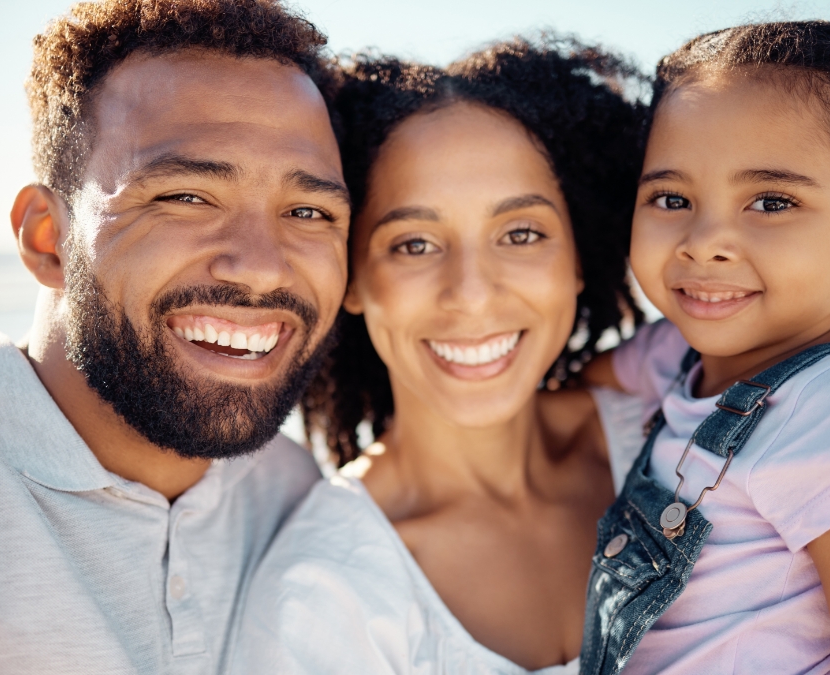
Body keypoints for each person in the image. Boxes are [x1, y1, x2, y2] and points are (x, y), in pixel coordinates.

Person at [233, 39, 657, 673]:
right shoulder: (323, 596)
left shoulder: (679, 445)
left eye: (521, 234)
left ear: (579, 256)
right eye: (415, 244)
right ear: (351, 277)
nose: (472, 294)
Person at [0, 1, 352, 672]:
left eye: (307, 211)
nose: (261, 267)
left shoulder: (298, 495)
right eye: (186, 198)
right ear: (47, 238)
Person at [579, 21, 830, 675]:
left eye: (770, 201)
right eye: (672, 198)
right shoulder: (671, 357)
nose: (705, 242)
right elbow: (562, 401)